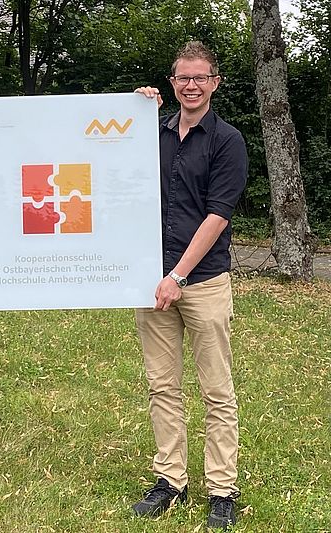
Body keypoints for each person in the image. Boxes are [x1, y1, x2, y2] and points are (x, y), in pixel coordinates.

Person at [132, 41, 247, 530]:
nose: (192, 85)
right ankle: (170, 480)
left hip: (201, 281)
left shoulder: (228, 140)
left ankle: (222, 489)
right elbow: (112, 168)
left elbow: (217, 215)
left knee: (216, 390)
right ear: (173, 82)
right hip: (152, 281)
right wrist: (135, 110)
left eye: (201, 77)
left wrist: (178, 276)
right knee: (162, 386)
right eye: (183, 77)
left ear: (214, 83)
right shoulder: (150, 133)